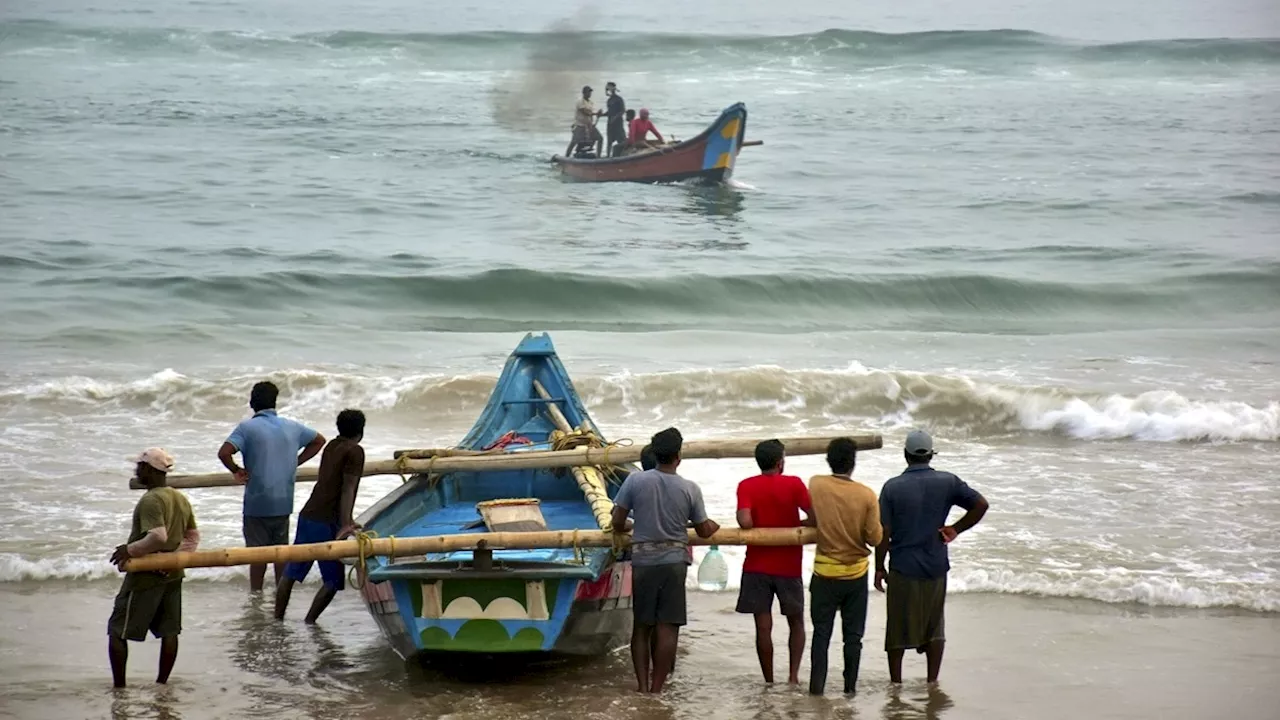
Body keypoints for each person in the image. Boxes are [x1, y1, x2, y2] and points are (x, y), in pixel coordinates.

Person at [874, 430, 989, 685]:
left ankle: (896, 683)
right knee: (935, 626)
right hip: (936, 565)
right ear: (930, 455)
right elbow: (981, 504)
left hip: (903, 567)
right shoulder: (948, 482)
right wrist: (955, 529)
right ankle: (931, 681)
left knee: (897, 628)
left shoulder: (892, 487)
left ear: (906, 456)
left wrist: (879, 567)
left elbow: (884, 531)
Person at [611, 427, 719, 694]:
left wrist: (630, 527)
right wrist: (714, 525)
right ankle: (658, 689)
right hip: (674, 562)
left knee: (642, 627)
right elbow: (704, 529)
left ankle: (642, 686)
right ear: (678, 456)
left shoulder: (635, 481)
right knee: (668, 627)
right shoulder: (690, 488)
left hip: (643, 560)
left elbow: (617, 521)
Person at [218, 381, 325, 592]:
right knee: (280, 553)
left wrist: (237, 470)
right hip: (283, 501)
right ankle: (280, 594)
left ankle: (256, 596)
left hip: (258, 502)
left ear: (252, 403)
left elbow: (224, 452)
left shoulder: (246, 428)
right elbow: (319, 440)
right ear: (275, 402)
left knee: (257, 555)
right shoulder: (292, 426)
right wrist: (295, 461)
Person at [108, 448, 200, 688]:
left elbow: (158, 536)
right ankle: (162, 685)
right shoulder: (179, 498)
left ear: (149, 470)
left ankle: (119, 688)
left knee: (118, 630)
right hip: (173, 573)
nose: (136, 470)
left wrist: (130, 550)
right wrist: (172, 561)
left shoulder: (150, 499)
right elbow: (193, 537)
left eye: (139, 466)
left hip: (145, 575)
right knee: (169, 630)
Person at [275, 409, 367, 623]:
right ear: (361, 430)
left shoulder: (332, 446)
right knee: (333, 580)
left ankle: (277, 620)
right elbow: (348, 488)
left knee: (291, 572)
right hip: (327, 522)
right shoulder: (355, 451)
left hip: (308, 516)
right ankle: (310, 622)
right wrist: (346, 523)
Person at [807, 437, 882, 696]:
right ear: (853, 463)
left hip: (824, 572)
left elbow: (813, 516)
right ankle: (850, 690)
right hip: (855, 575)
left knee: (821, 635)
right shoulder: (866, 495)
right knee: (853, 638)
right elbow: (875, 538)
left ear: (829, 460)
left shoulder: (816, 484)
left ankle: (816, 690)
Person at [734, 439, 813, 685]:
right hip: (788, 565)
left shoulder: (746, 485)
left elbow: (745, 522)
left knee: (763, 626)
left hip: (756, 564)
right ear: (781, 462)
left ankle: (768, 680)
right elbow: (815, 516)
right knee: (796, 621)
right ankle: (792, 677)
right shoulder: (794, 484)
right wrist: (797, 526)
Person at [565, 85, 603, 158]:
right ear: (584, 93)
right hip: (580, 126)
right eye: (588, 92)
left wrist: (599, 114)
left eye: (590, 92)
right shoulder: (580, 101)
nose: (589, 94)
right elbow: (585, 112)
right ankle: (566, 157)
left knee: (599, 138)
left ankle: (599, 157)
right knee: (574, 142)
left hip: (589, 126)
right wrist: (595, 113)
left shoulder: (591, 103)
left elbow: (591, 114)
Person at [603, 81, 626, 157]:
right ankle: (608, 157)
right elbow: (609, 112)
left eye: (608, 87)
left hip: (618, 124)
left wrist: (615, 118)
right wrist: (601, 115)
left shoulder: (619, 99)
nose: (607, 89)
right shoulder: (609, 100)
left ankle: (624, 155)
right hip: (610, 124)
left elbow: (622, 111)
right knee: (609, 141)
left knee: (621, 141)